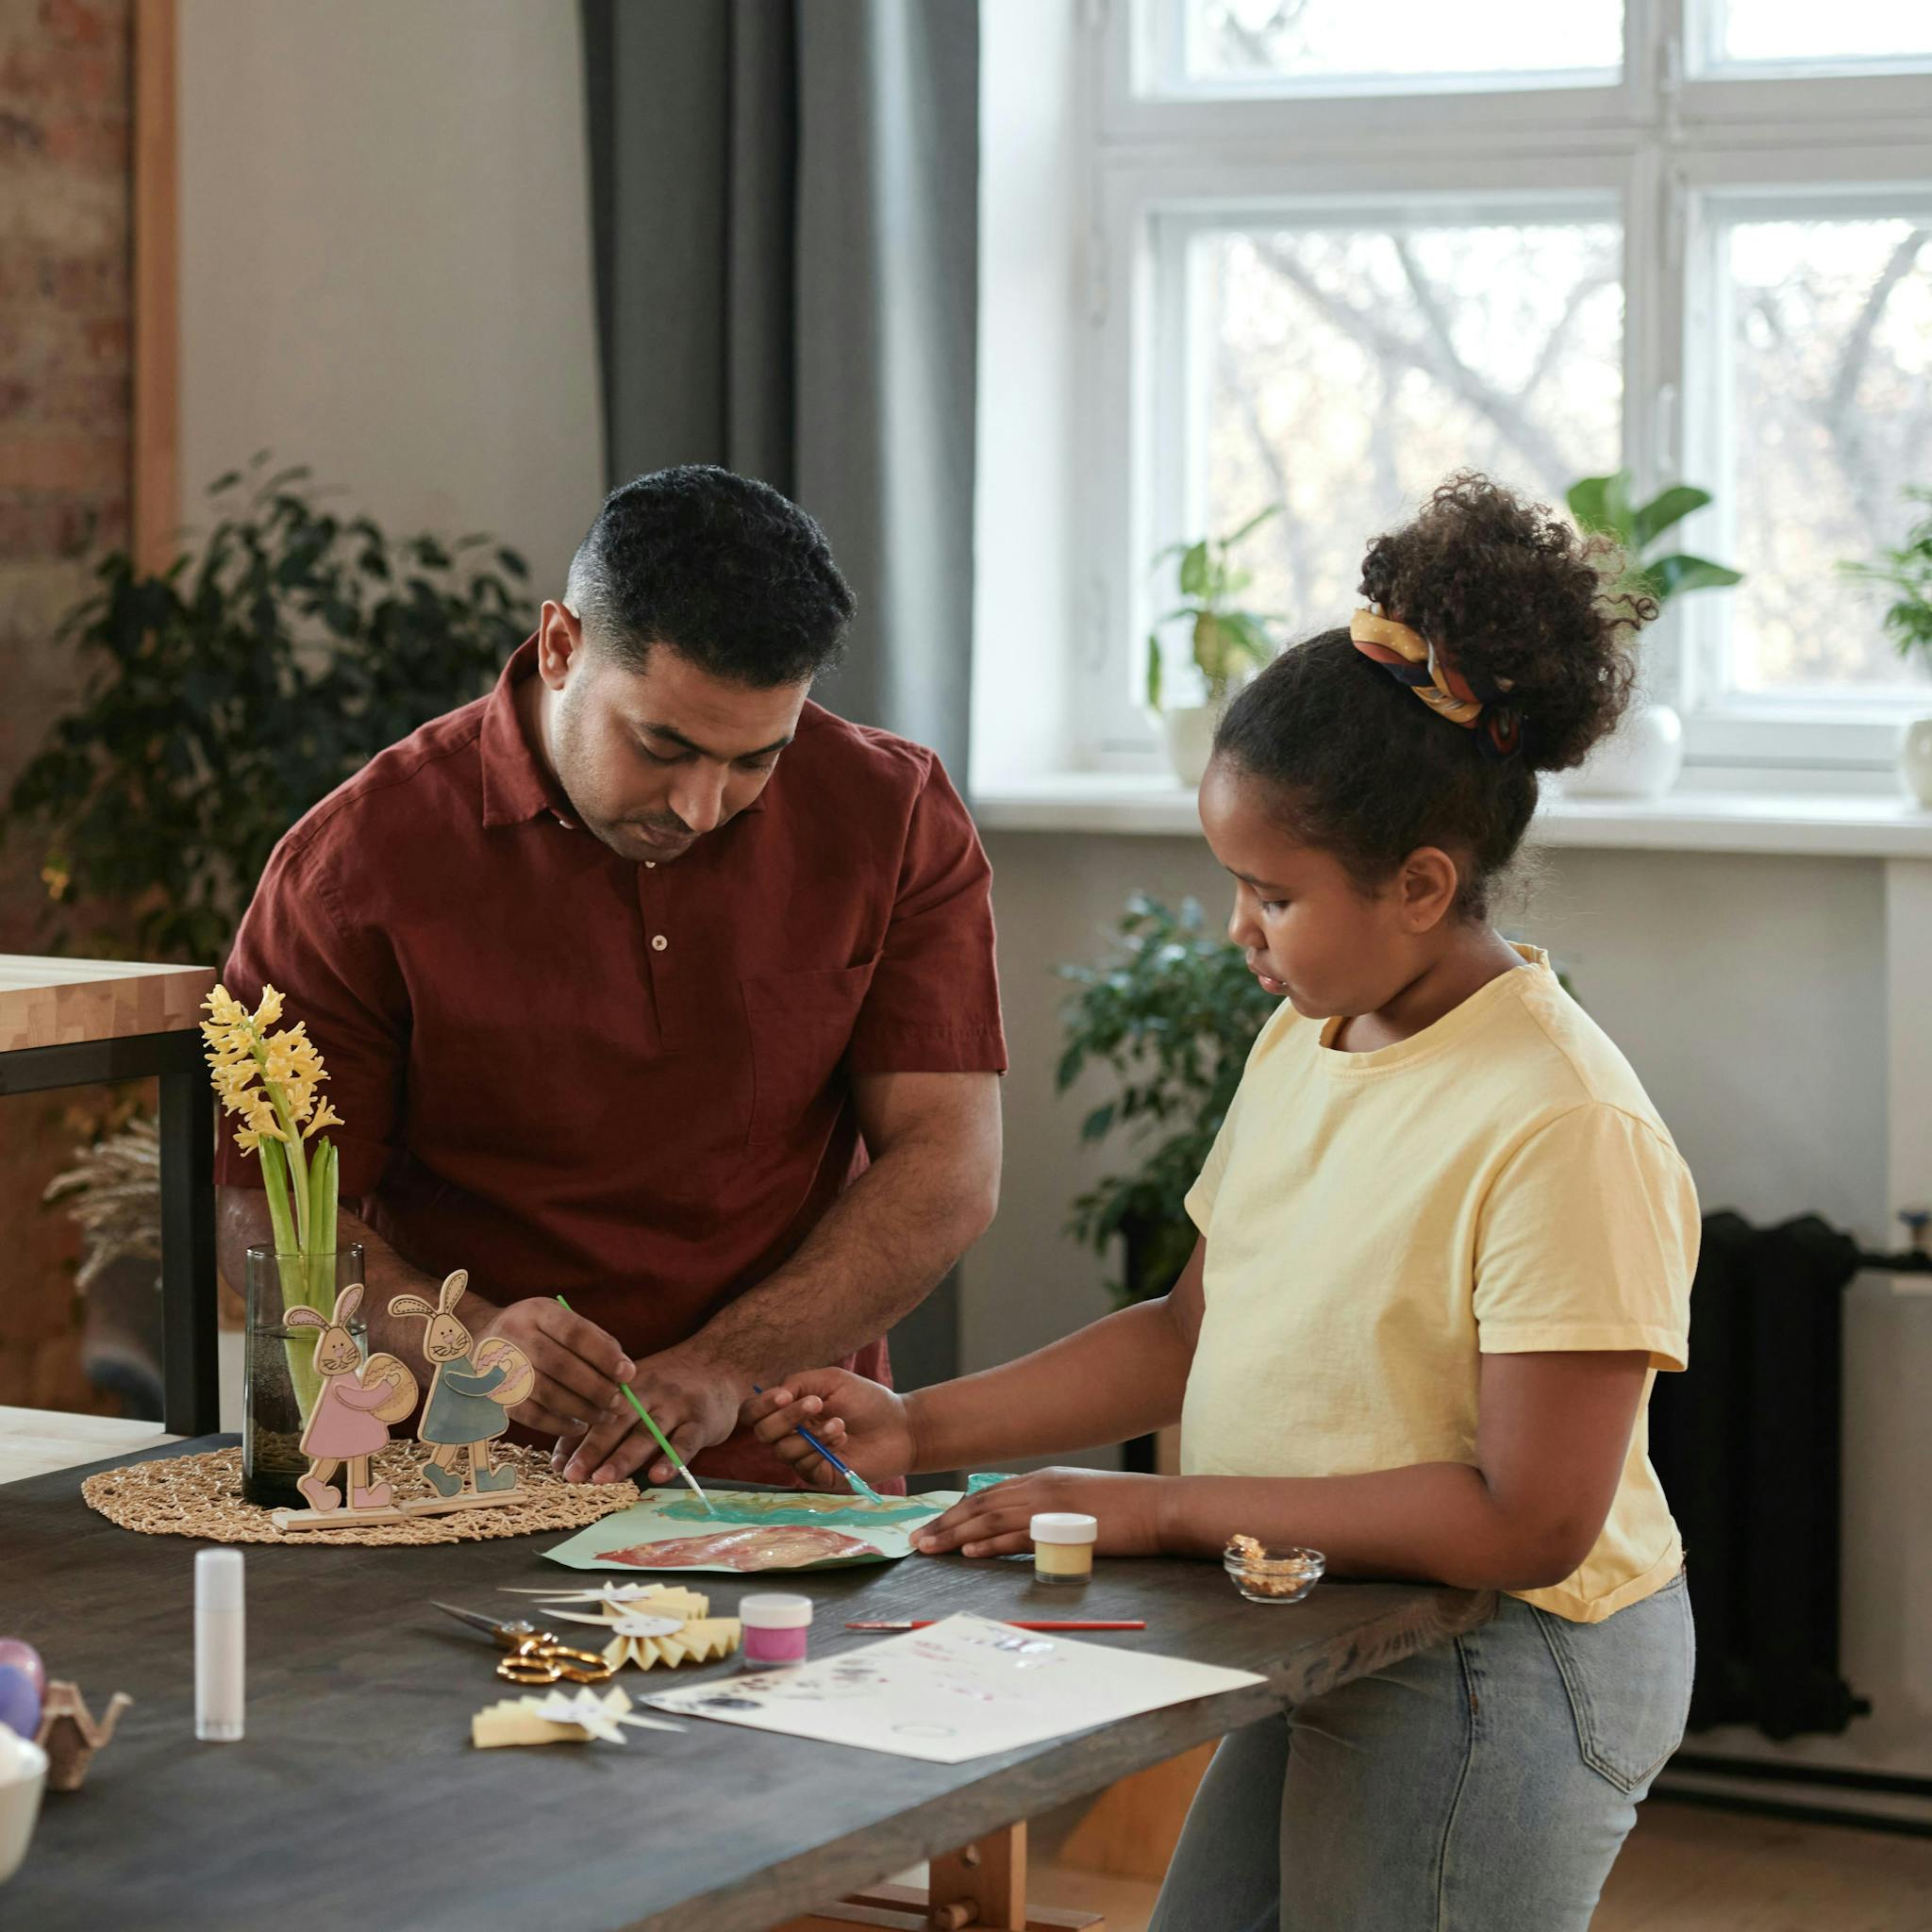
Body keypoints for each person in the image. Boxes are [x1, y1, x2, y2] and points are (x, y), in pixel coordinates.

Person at [748, 474, 1698, 1929]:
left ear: (1424, 884)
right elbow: (1194, 1326)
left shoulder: (1563, 1124)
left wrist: (1150, 1510)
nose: (1237, 932)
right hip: (1330, 1619)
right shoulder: (1311, 1034)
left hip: (1502, 1657)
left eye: (1272, 895)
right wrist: (919, 1431)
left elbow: (1527, 1525)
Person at [215, 465, 1006, 1488]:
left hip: (781, 1473)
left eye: (756, 759)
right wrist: (466, 1337)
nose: (700, 805)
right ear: (559, 646)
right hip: (449, 1486)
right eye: (661, 745)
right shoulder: (355, 866)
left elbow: (948, 1166)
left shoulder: (890, 815)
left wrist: (725, 1364)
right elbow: (258, 1223)